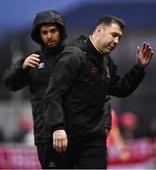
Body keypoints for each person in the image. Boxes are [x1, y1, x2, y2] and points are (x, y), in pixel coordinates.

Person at [42, 15, 154, 169]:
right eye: (114, 35)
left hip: (94, 142)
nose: (116, 41)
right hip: (65, 137)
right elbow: (53, 94)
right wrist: (57, 128)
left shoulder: (106, 61)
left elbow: (120, 89)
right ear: (99, 30)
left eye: (119, 38)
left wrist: (139, 68)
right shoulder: (73, 56)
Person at [3, 10, 67, 168]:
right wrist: (21, 66)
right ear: (39, 35)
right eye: (44, 32)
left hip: (73, 130)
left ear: (61, 32)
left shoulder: (72, 56)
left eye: (53, 31)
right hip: (45, 134)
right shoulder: (33, 60)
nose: (49, 36)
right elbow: (10, 83)